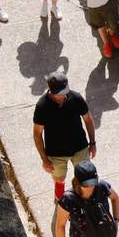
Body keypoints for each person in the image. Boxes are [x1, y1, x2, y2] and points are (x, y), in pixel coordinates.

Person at [33, 70, 96, 200]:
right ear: (51, 91)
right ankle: (62, 201)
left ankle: (82, 199)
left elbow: (88, 120)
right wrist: (44, 159)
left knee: (84, 178)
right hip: (56, 154)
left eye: (65, 91)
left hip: (80, 148)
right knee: (59, 179)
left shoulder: (76, 98)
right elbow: (37, 134)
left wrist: (93, 142)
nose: (63, 95)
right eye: (59, 93)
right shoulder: (42, 106)